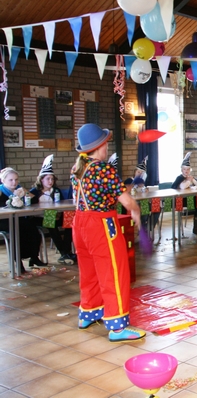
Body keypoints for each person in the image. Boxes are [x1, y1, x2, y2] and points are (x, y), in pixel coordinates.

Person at [70, 123, 145, 342]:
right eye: (106, 143)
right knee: (114, 272)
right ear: (101, 145)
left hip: (80, 224)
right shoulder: (103, 169)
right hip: (101, 225)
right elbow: (126, 200)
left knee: (89, 271)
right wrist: (136, 212)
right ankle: (117, 325)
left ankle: (89, 312)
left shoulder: (78, 169)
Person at [30, 154, 76, 265]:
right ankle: (64, 252)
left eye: (52, 179)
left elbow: (61, 204)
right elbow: (30, 206)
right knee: (51, 221)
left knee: (70, 221)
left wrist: (60, 214)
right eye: (48, 179)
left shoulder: (56, 191)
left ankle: (66, 250)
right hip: (39, 218)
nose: (50, 181)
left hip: (55, 216)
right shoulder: (34, 191)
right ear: (41, 180)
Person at [0, 168, 46, 270]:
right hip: (8, 220)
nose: (14, 182)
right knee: (21, 229)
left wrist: (25, 192)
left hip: (40, 216)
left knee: (51, 223)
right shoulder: (36, 189)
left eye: (16, 180)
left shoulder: (56, 190)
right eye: (11, 180)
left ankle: (63, 253)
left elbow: (34, 201)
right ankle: (19, 261)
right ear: (41, 180)